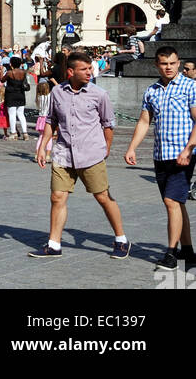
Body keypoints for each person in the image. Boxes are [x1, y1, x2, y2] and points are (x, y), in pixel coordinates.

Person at [31, 49, 129, 260]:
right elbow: (51, 121)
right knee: (57, 197)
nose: (89, 72)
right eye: (84, 69)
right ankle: (54, 244)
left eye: (90, 68)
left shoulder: (99, 94)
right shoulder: (57, 93)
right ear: (70, 72)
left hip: (91, 154)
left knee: (102, 197)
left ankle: (121, 239)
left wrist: (106, 148)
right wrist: (42, 147)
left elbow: (108, 124)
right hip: (63, 153)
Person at [124, 46, 196, 271]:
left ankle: (171, 254)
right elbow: (145, 121)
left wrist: (188, 149)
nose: (169, 67)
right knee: (177, 203)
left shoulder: (190, 87)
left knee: (171, 202)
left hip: (183, 154)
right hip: (161, 154)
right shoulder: (152, 90)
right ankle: (188, 251)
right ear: (157, 64)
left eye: (173, 63)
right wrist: (132, 147)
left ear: (178, 62)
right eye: (164, 63)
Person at [3, 56, 29, 141]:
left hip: (11, 94)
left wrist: (1, 72)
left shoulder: (9, 72)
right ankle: (25, 133)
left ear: (11, 64)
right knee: (21, 114)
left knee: (12, 114)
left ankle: (13, 133)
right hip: (20, 94)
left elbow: (2, 80)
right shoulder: (23, 72)